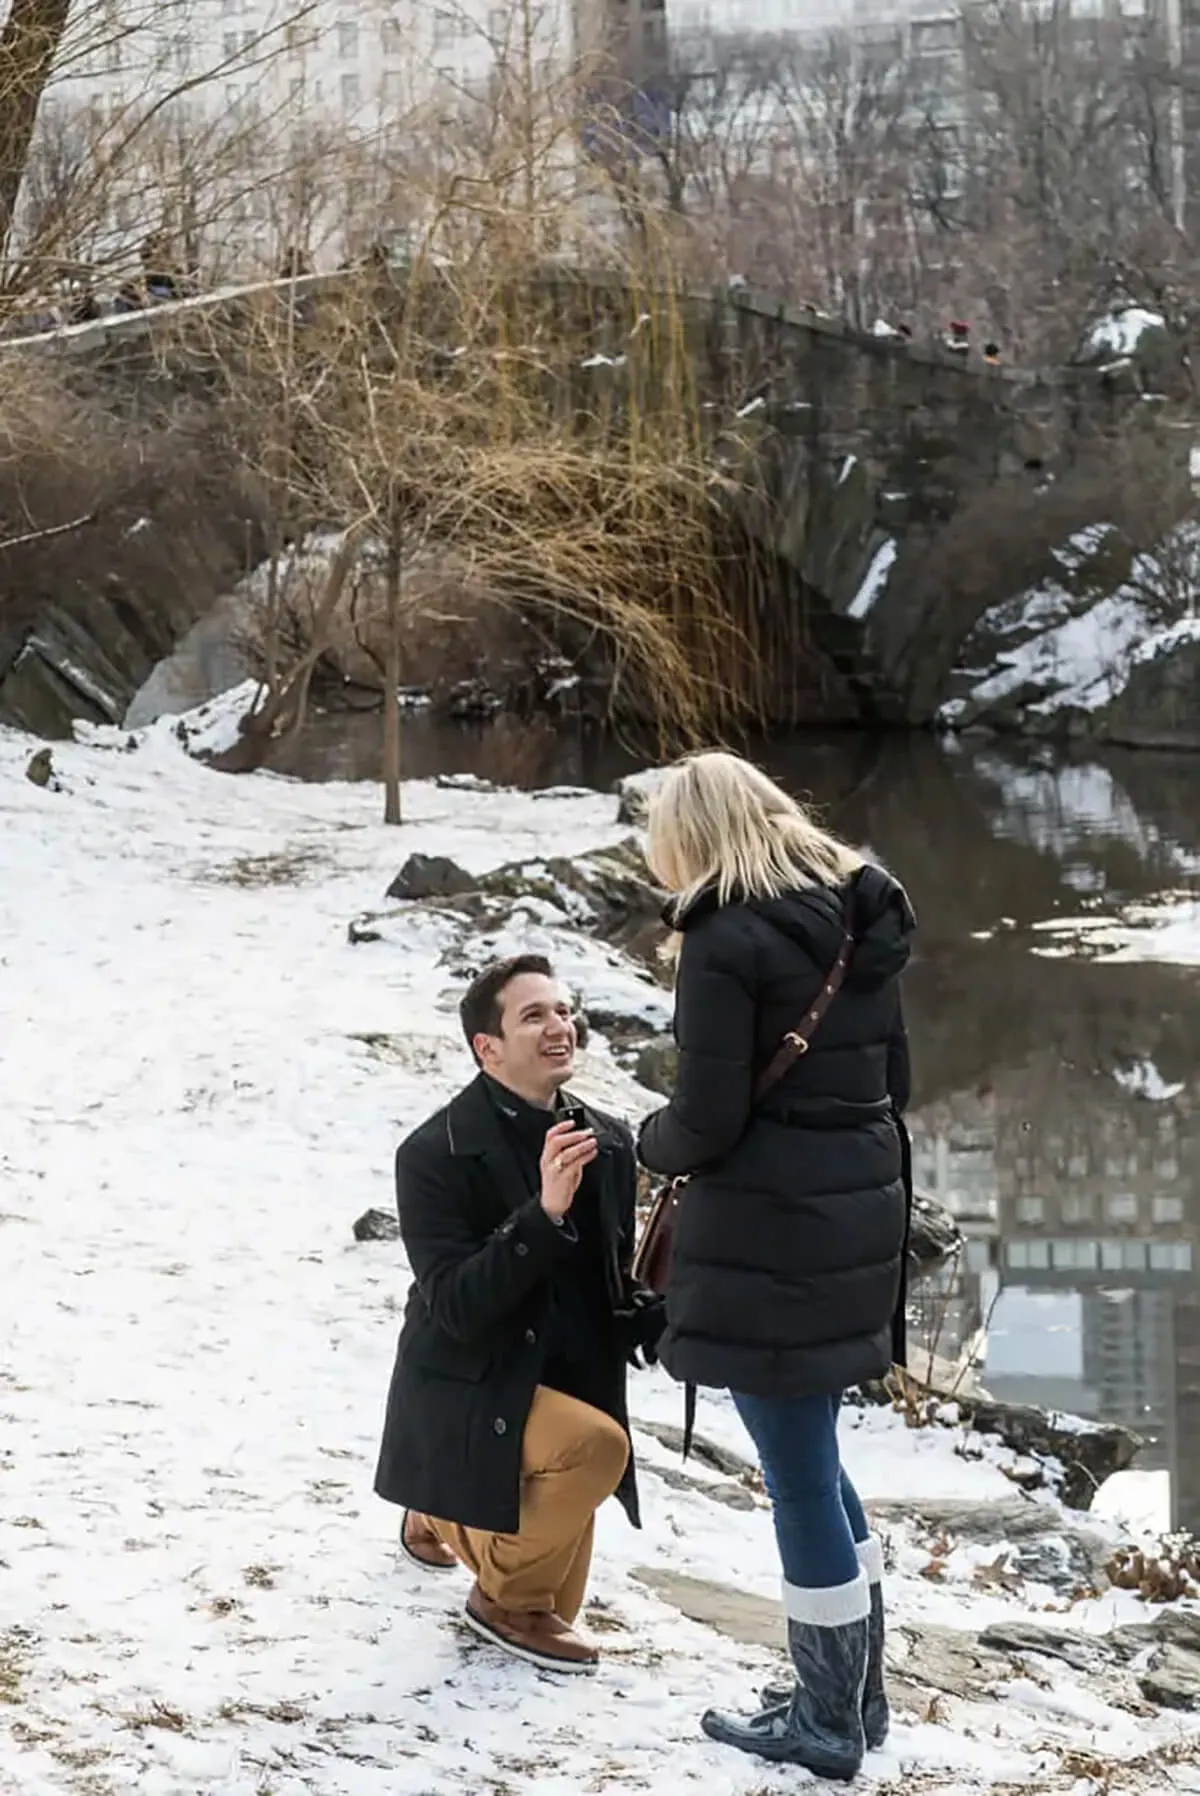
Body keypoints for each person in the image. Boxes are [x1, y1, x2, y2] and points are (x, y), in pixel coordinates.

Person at [637, 751, 914, 1780]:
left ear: (693, 837)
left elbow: (705, 1121)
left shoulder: (722, 936)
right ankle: (856, 1695)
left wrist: (646, 1139)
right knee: (814, 1452)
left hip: (772, 1226)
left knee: (796, 1470)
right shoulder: (858, 916)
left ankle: (827, 1722)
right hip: (856, 1211)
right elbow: (897, 1079)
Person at [373, 954, 663, 1674]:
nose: (559, 1026)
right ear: (488, 1047)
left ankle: (440, 1513)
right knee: (596, 1451)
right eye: (534, 1015)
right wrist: (545, 1212)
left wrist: (680, 1318)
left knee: (559, 1605)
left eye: (564, 1011)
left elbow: (609, 1287)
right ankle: (493, 1600)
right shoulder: (433, 1154)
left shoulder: (611, 1141)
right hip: (468, 1381)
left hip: (561, 1379)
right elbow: (459, 1307)